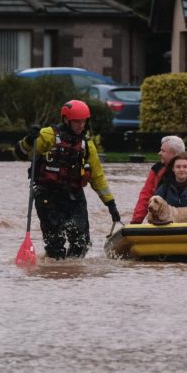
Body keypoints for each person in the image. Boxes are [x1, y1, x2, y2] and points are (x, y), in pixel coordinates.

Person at [17, 99, 120, 259]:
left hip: (74, 196)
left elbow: (98, 178)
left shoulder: (87, 145)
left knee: (81, 242)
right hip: (47, 196)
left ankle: (73, 272)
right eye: (77, 122)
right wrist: (30, 140)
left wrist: (110, 204)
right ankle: (55, 269)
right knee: (55, 245)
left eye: (83, 121)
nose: (81, 126)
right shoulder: (47, 135)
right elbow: (21, 152)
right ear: (66, 120)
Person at [130, 135, 187, 224]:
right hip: (169, 220)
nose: (159, 153)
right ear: (173, 169)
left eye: (163, 151)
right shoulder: (158, 172)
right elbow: (146, 196)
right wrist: (136, 221)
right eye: (178, 167)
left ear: (174, 153)